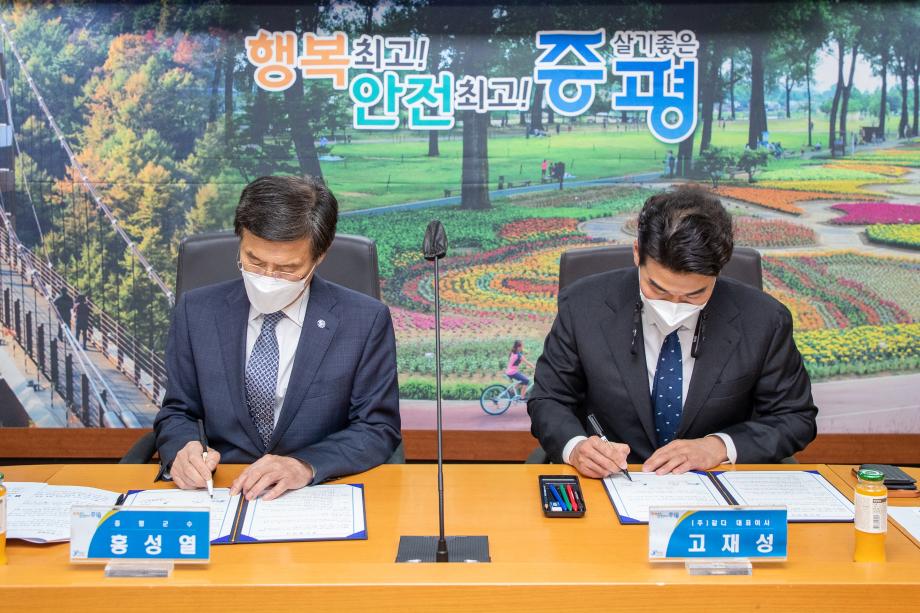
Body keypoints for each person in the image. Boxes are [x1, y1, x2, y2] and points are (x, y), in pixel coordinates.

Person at [528, 186, 817, 478]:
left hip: (713, 482)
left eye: (694, 295)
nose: (674, 306)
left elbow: (794, 417)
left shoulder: (765, 320)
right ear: (637, 253)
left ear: (719, 271)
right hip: (611, 480)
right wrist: (576, 447)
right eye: (657, 289)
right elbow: (549, 399)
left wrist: (719, 447)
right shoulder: (583, 306)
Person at [154, 175, 401, 501]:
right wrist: (183, 448)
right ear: (241, 240)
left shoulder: (364, 321)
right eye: (254, 261)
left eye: (286, 268)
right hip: (220, 490)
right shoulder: (196, 311)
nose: (267, 278)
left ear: (320, 256)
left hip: (313, 493)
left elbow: (377, 428)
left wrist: (306, 465)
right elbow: (178, 411)